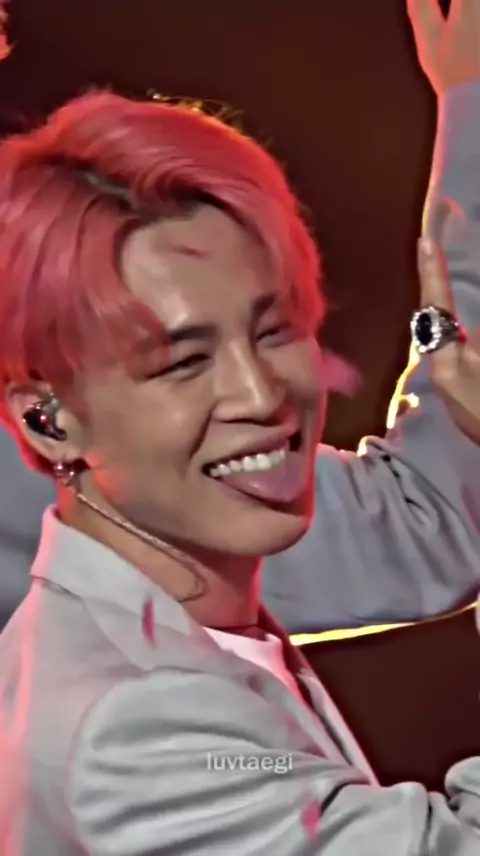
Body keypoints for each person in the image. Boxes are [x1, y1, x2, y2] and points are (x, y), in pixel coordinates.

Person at [2, 4, 480, 852]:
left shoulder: (148, 598)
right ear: (46, 423)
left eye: (275, 330)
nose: (260, 394)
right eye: (184, 362)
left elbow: (420, 521)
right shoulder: (135, 730)